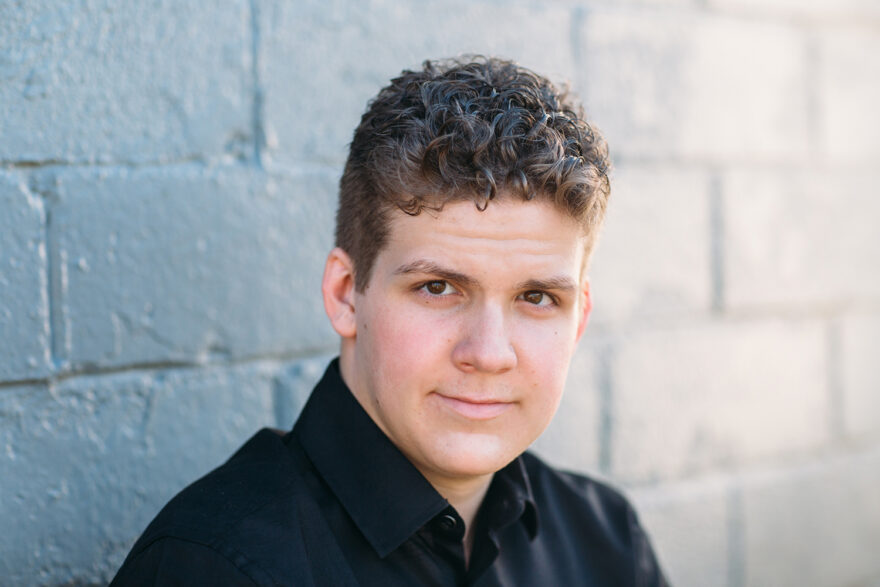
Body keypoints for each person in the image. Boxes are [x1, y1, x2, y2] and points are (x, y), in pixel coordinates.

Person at [111, 56, 669, 586]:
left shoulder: (607, 543)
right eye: (438, 288)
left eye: (537, 297)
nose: (489, 353)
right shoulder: (216, 567)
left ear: (579, 319)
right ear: (345, 295)